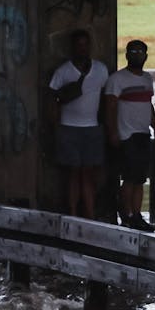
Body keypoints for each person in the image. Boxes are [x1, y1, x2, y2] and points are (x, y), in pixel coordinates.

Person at [46, 29, 110, 219]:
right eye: (79, 45)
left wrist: (105, 124)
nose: (83, 48)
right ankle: (74, 213)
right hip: (68, 129)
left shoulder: (101, 69)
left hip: (92, 128)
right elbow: (50, 97)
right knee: (74, 173)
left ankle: (89, 214)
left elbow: (106, 99)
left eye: (85, 44)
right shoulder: (63, 71)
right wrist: (54, 125)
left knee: (89, 174)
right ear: (73, 47)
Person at [103, 39, 155, 231]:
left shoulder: (147, 79)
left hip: (143, 134)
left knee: (140, 179)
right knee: (129, 178)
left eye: (141, 52)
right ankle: (127, 215)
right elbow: (110, 107)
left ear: (146, 56)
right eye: (133, 52)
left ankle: (137, 214)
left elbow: (148, 105)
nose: (137, 55)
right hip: (126, 135)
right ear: (127, 55)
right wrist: (113, 132)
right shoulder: (117, 79)